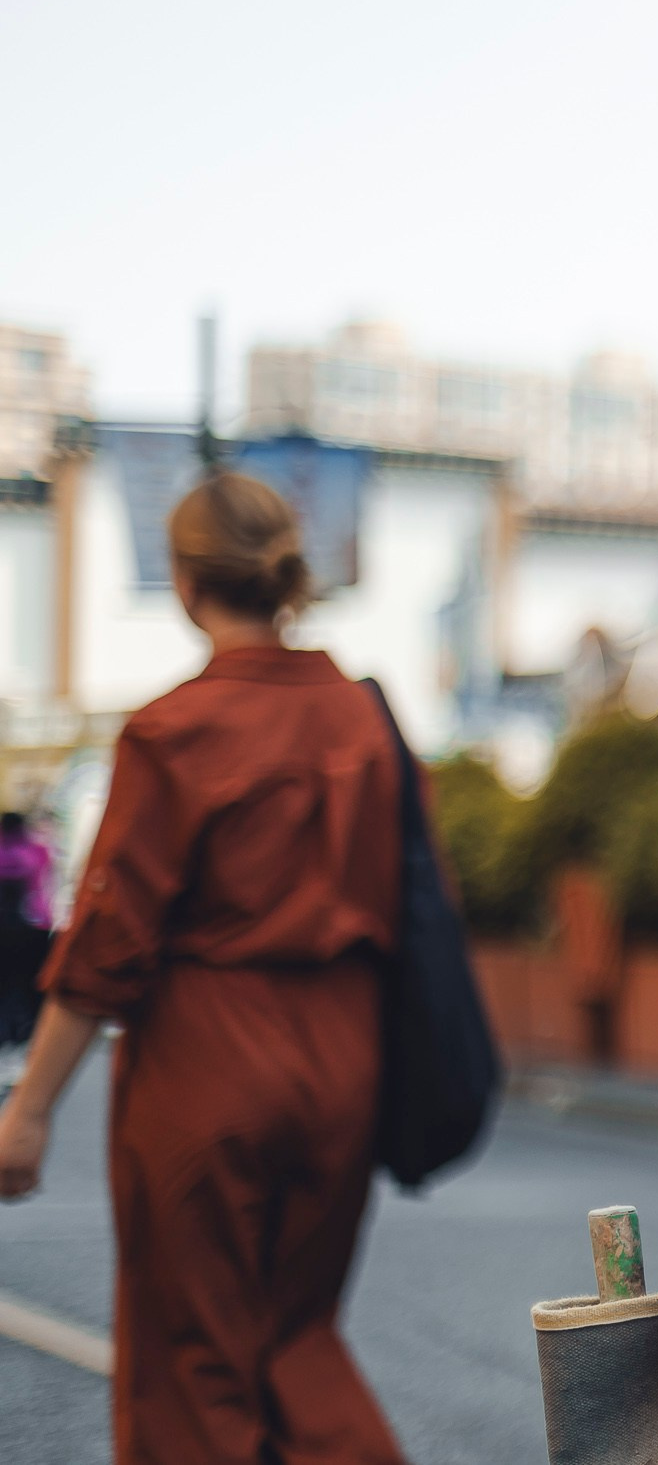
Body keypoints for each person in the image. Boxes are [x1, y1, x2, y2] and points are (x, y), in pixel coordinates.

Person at [0, 471, 408, 1465]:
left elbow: (109, 941)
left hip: (209, 1056)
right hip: (344, 1058)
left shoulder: (175, 728)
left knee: (194, 1366)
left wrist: (33, 1105)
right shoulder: (365, 720)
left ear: (186, 584)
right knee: (297, 1341)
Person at [0, 810, 54, 1086]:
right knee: (30, 992)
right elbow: (45, 885)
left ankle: (8, 1048)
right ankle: (24, 1049)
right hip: (32, 930)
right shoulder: (37, 851)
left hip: (5, 934)